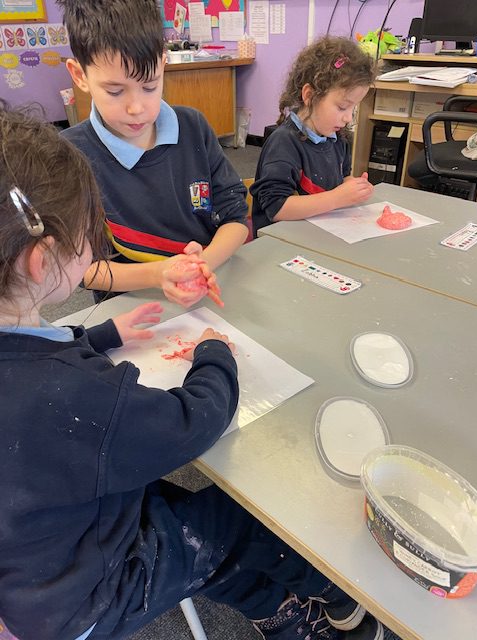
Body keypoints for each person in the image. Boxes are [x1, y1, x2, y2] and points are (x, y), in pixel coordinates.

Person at [0, 105, 388, 640]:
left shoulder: (26, 353)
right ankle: (335, 592)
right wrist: (214, 354)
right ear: (43, 260)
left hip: (36, 555)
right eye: (89, 240)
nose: (93, 250)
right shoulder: (75, 393)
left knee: (201, 539)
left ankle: (277, 610)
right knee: (237, 520)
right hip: (89, 594)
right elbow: (193, 420)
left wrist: (103, 334)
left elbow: (34, 355)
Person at [57, 0, 249, 302]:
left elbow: (236, 217)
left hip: (207, 288)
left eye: (149, 86)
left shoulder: (193, 127)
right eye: (115, 91)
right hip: (130, 309)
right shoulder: (70, 155)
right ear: (80, 75)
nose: (136, 108)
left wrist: (201, 266)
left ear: (163, 63)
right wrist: (159, 275)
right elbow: (80, 269)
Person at [251, 37, 376, 237]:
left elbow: (342, 179)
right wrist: (337, 198)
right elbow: (277, 208)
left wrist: (353, 188)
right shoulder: (284, 143)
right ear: (309, 95)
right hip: (282, 241)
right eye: (342, 107)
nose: (348, 118)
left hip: (319, 233)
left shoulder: (337, 137)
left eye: (353, 109)